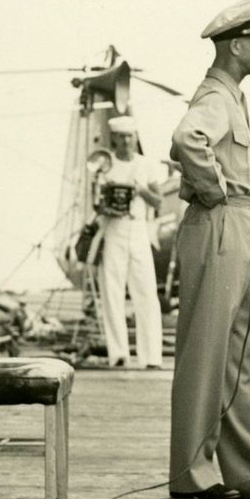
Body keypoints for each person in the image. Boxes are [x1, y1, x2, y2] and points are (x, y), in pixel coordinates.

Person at [169, 0, 250, 499]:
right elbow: (188, 139)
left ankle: (248, 466)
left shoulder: (232, 98)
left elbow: (235, 171)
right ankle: (191, 475)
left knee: (237, 354)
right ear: (237, 45)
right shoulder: (216, 98)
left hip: (239, 223)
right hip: (222, 225)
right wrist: (215, 193)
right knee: (209, 352)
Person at [95, 114, 173, 369]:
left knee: (146, 293)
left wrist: (140, 190)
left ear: (135, 138)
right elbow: (96, 202)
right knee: (112, 292)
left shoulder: (146, 164)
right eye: (121, 137)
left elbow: (159, 201)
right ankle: (118, 353)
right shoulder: (105, 165)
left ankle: (151, 356)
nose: (126, 141)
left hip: (139, 229)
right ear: (114, 139)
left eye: (130, 137)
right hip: (113, 229)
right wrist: (107, 203)